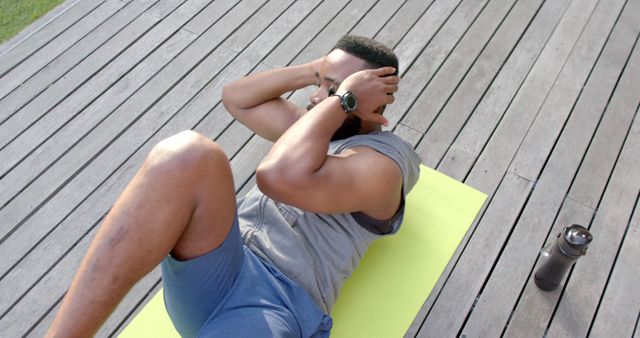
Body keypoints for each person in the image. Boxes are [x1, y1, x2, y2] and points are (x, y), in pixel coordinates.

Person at [46, 35, 421, 338]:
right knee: (188, 153)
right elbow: (237, 97)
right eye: (321, 87)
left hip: (275, 304)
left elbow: (277, 178)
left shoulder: (384, 164)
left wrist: (343, 98)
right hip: (220, 263)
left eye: (335, 91)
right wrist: (316, 71)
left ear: (376, 105)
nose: (316, 98)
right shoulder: (316, 129)